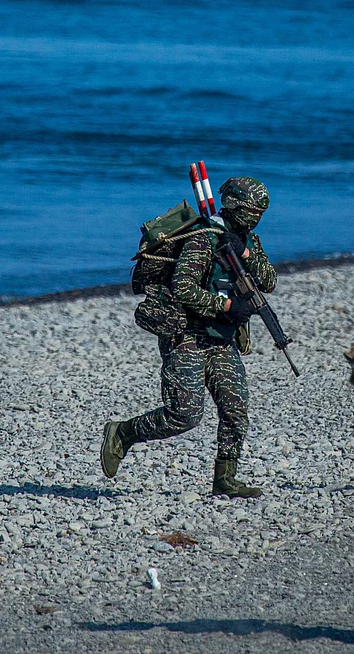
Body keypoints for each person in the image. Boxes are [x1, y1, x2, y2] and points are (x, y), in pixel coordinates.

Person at [100, 177, 277, 498]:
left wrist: (247, 254)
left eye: (260, 212)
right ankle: (123, 433)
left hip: (222, 338)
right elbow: (183, 287)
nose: (256, 217)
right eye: (252, 210)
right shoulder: (202, 238)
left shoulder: (248, 239)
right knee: (184, 415)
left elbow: (269, 281)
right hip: (186, 335)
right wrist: (225, 305)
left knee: (236, 409)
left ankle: (226, 477)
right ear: (236, 205)